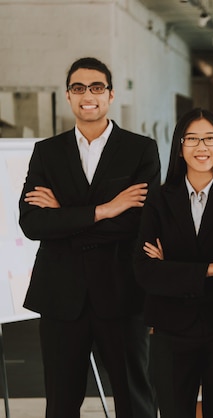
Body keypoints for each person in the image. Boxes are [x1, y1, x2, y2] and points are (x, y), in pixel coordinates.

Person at [18, 57, 160, 418]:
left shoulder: (140, 149)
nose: (88, 95)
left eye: (96, 87)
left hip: (121, 293)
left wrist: (64, 214)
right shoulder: (47, 152)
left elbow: (140, 223)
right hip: (61, 297)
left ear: (110, 95)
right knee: (61, 404)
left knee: (135, 400)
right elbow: (33, 224)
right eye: (78, 88)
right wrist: (106, 209)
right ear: (68, 96)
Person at [133, 108, 213, 417]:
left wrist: (173, 268)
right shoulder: (158, 200)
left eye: (211, 138)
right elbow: (146, 273)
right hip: (171, 332)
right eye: (193, 139)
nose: (202, 147)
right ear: (180, 146)